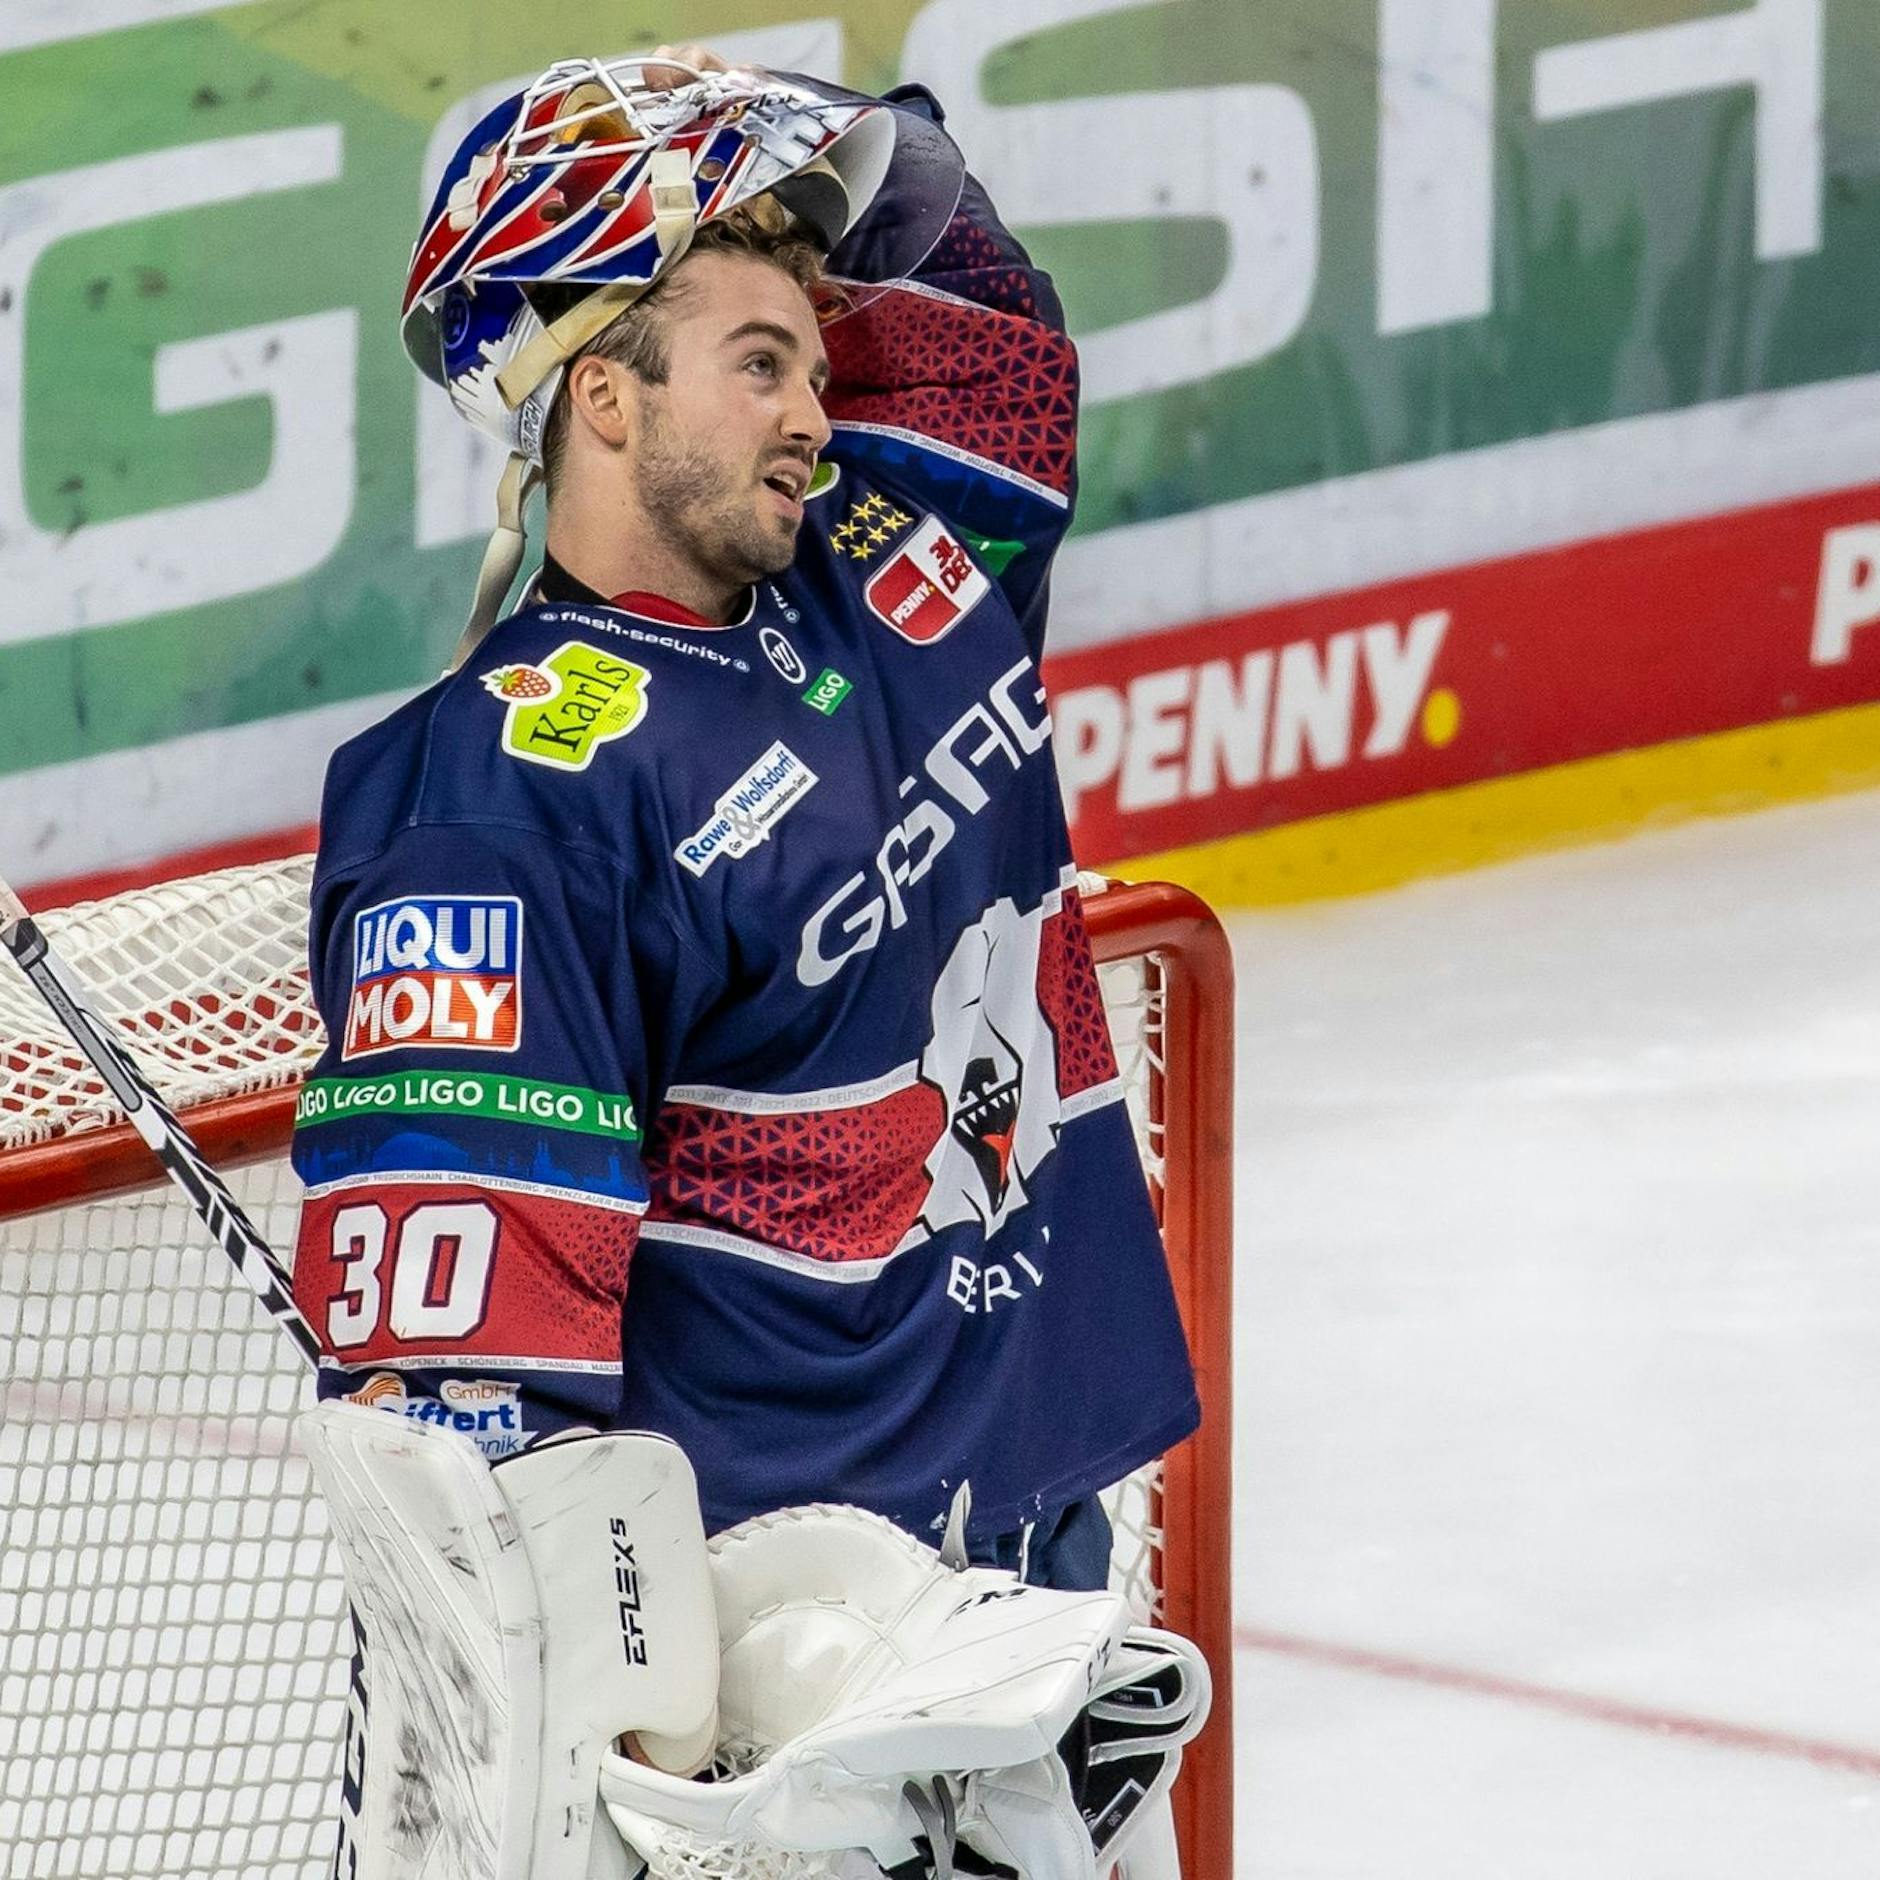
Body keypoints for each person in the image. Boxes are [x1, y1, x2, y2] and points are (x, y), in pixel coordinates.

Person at [289, 47, 1199, 1595]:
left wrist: (725, 129)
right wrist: (625, 1712)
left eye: (822, 372)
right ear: (605, 397)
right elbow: (477, 1402)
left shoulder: (890, 555)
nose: (814, 411)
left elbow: (998, 330)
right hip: (783, 1652)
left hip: (1039, 1559)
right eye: (761, 365)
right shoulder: (501, 799)